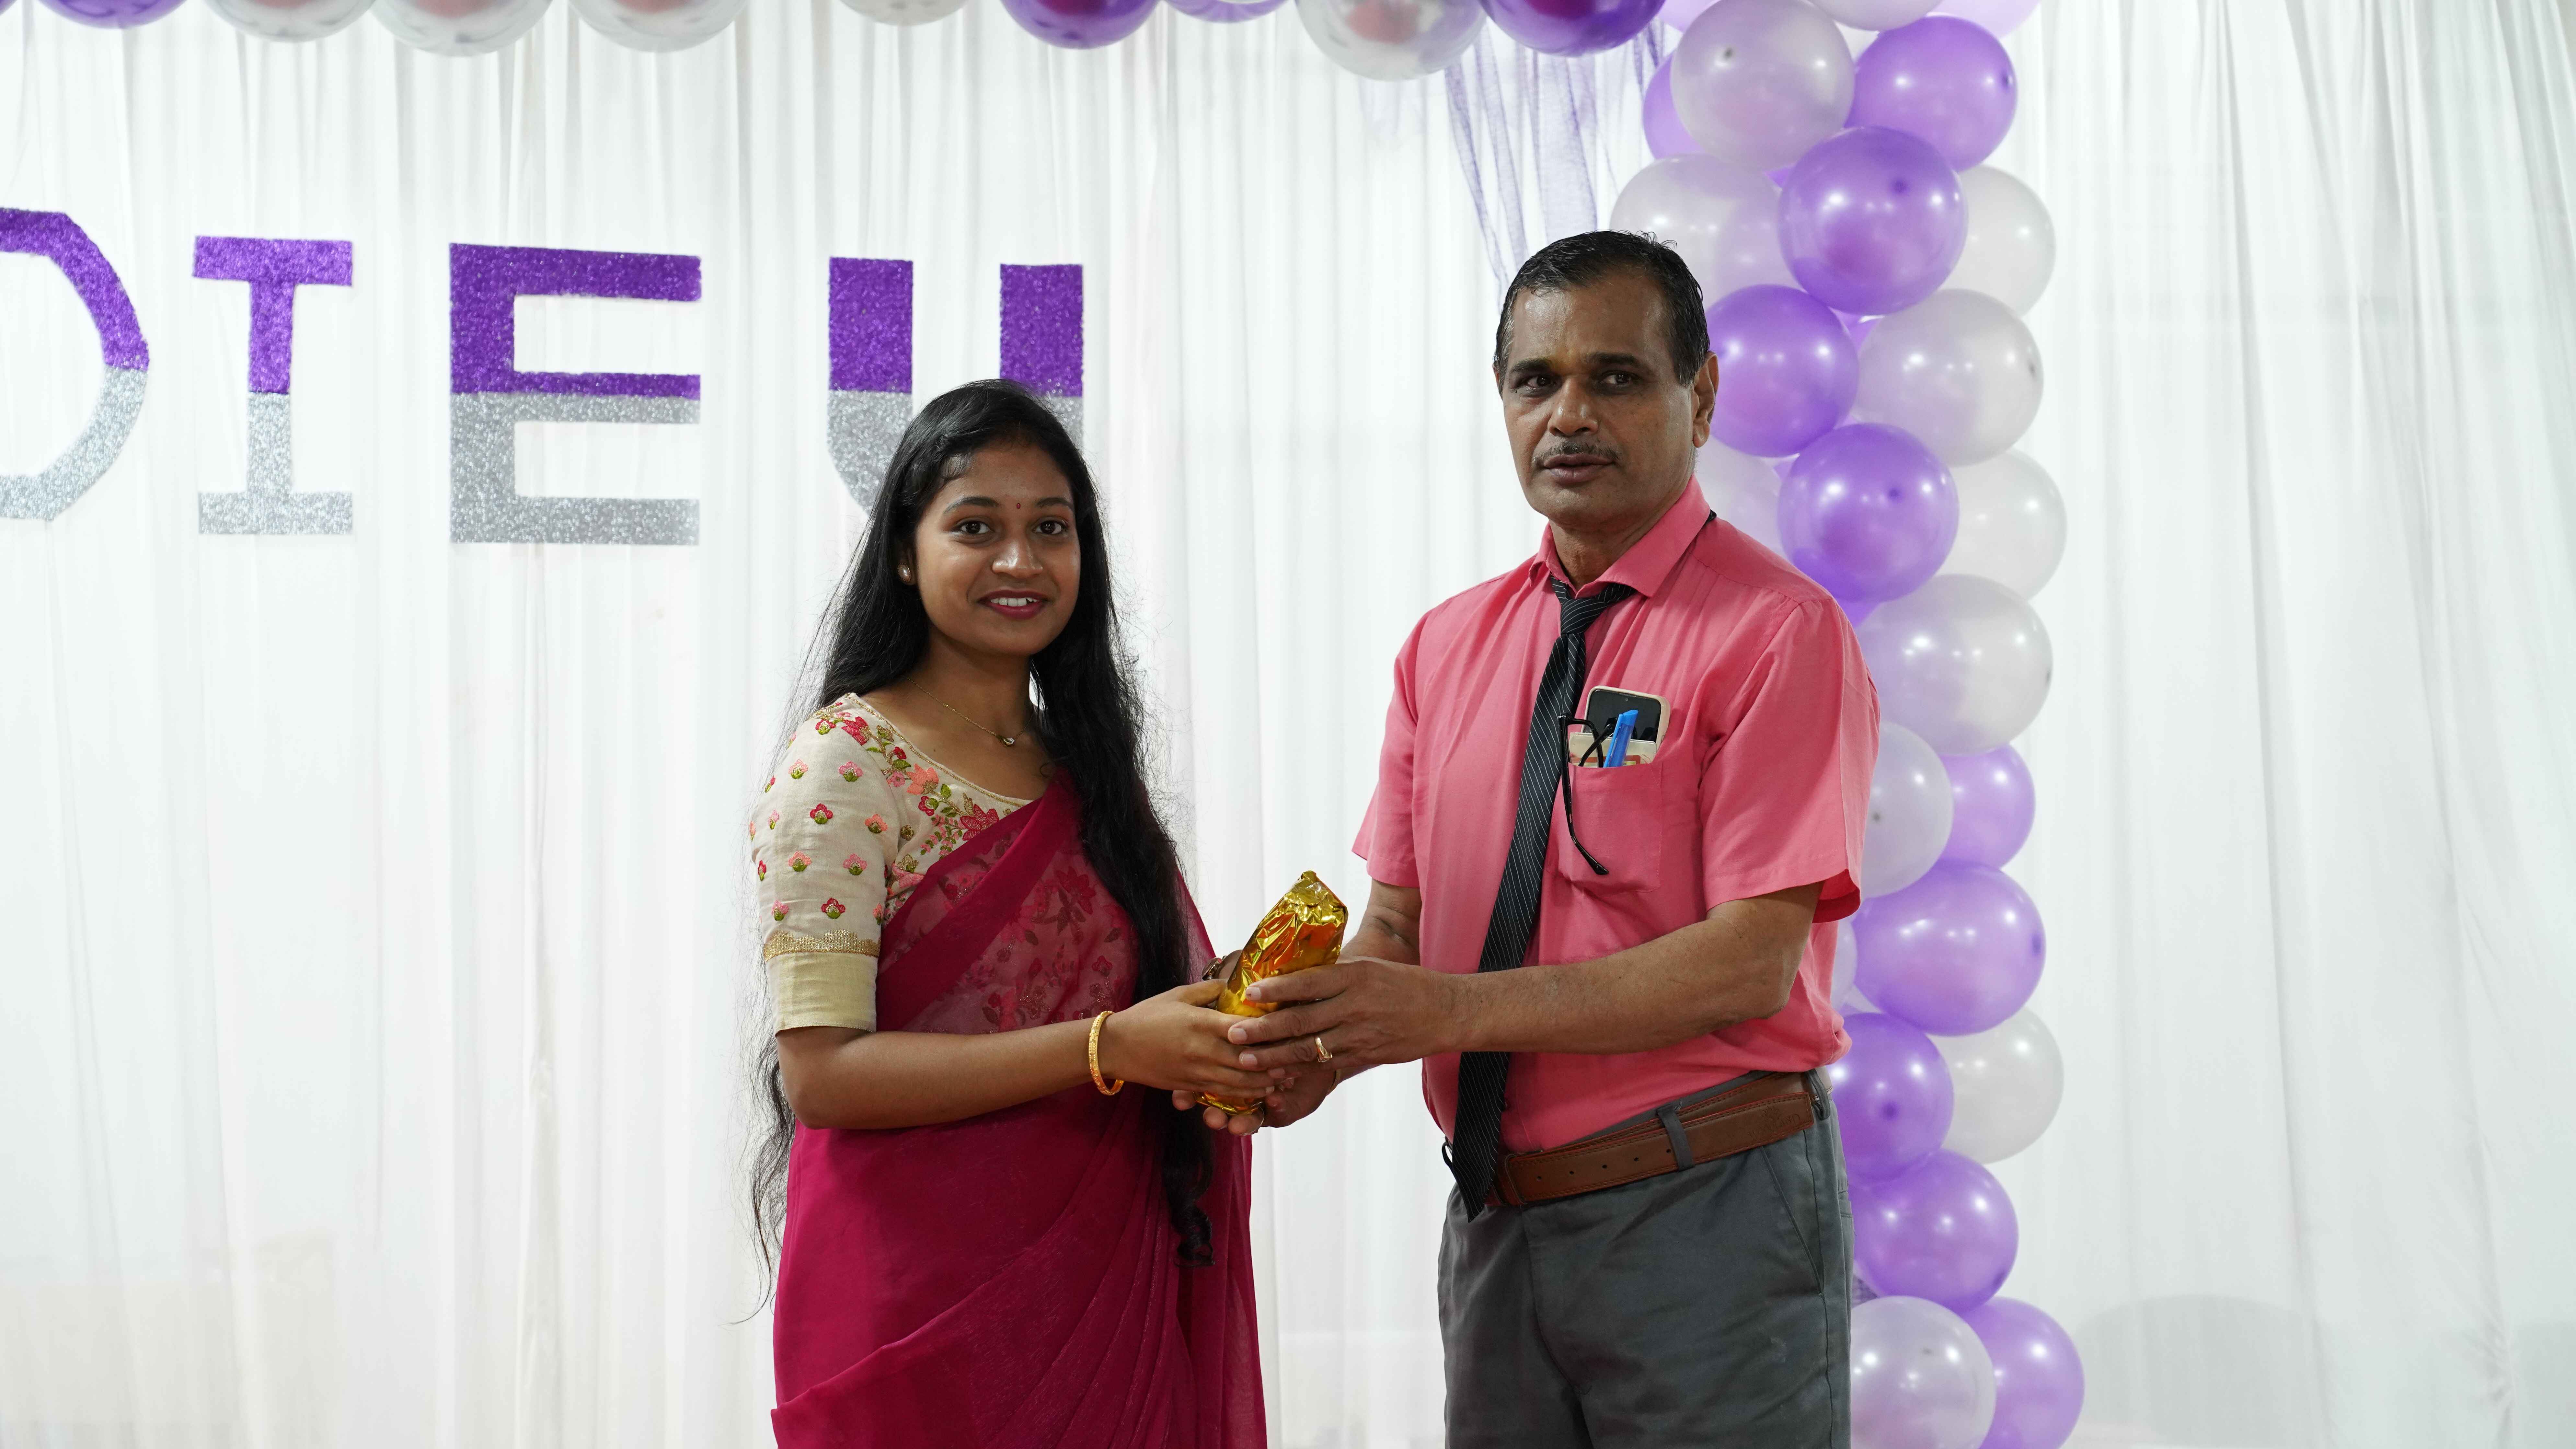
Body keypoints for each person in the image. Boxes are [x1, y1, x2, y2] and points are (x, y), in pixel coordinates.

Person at [1209, 232, 1880, 1446]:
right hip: (1495, 1221)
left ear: (1701, 396)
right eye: (1537, 381)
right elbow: (1399, 926)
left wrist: (1441, 1014)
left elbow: (1751, 963)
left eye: (1615, 377)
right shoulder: (1444, 647)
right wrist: (1311, 1046)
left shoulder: (1778, 632)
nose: (1569, 414)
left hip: (1708, 1216)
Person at [748, 379, 1270, 1449]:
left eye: (1052, 529)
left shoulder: (1084, 771)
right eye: (977, 528)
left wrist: (1240, 1025)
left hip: (1100, 1278)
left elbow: (1152, 1004)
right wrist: (1111, 1047)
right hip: (918, 1302)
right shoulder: (846, 764)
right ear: (905, 553)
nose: (1021, 561)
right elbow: (823, 1076)